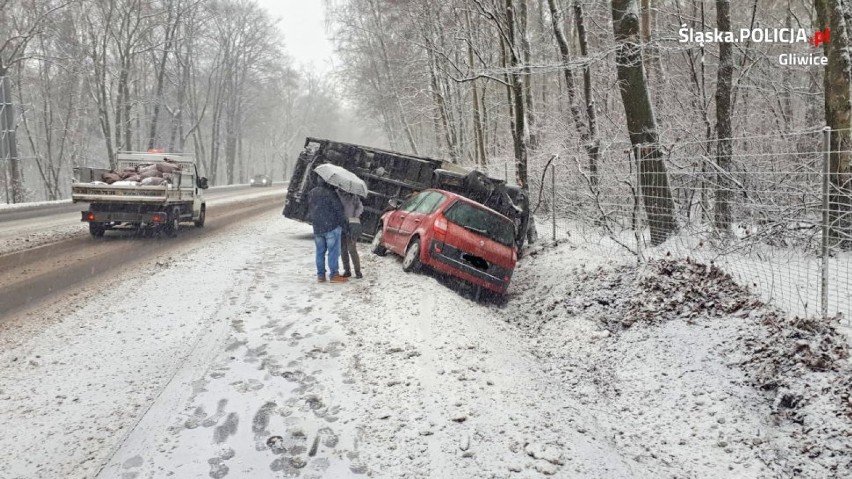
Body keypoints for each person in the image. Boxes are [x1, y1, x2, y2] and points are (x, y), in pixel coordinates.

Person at [308, 176, 348, 283]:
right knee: (333, 252)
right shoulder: (331, 193)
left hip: (317, 227)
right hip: (331, 227)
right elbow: (339, 210)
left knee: (320, 252)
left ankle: (321, 276)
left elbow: (310, 208)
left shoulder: (312, 192)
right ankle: (334, 275)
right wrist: (343, 224)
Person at [337, 189, 364, 278]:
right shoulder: (337, 194)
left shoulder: (354, 197)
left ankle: (358, 272)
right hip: (341, 224)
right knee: (343, 250)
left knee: (352, 249)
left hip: (351, 224)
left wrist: (355, 216)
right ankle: (347, 270)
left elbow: (360, 207)